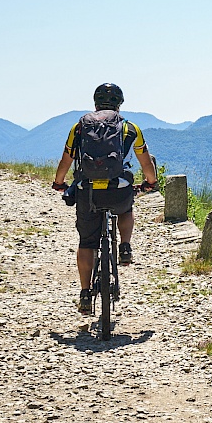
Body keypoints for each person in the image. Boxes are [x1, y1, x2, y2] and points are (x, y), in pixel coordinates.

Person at [52, 83, 158, 313]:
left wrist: (59, 183)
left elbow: (66, 160)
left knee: (87, 243)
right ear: (120, 103)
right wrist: (150, 182)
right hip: (118, 191)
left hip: (87, 193)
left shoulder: (79, 128)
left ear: (96, 103)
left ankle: (84, 293)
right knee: (126, 209)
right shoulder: (131, 129)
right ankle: (125, 246)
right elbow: (146, 162)